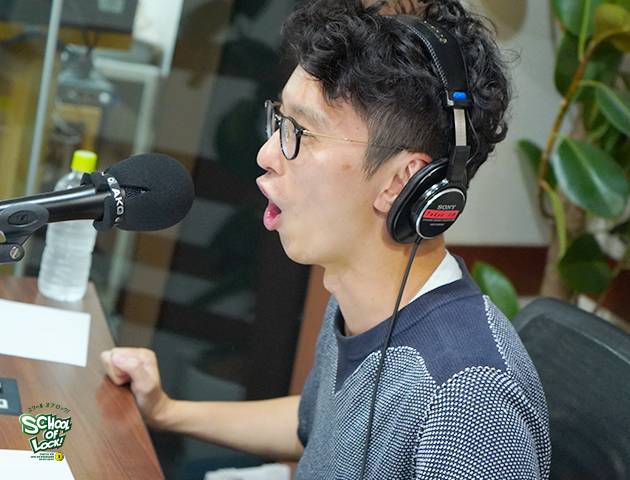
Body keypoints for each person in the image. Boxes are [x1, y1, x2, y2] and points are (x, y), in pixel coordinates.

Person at [101, 0, 551, 478]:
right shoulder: (359, 297)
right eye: (280, 121)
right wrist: (166, 411)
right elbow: (314, 425)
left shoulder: (469, 406)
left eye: (301, 131)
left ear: (401, 181)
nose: (267, 154)